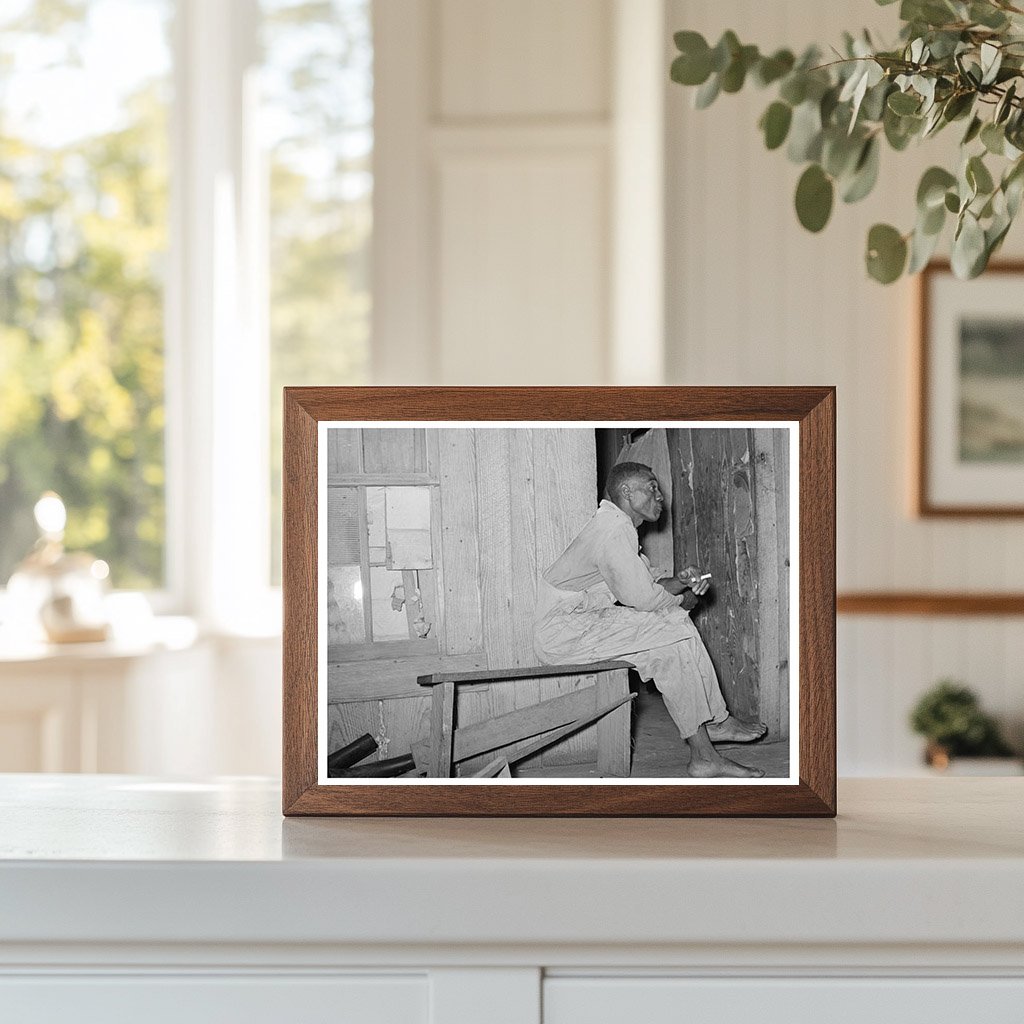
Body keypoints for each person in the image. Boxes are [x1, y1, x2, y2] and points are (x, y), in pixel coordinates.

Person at [534, 460, 766, 778]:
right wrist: (683, 598)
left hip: (581, 624)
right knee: (673, 625)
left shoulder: (617, 528)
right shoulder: (612, 531)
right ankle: (716, 722)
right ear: (627, 492)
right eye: (652, 487)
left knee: (668, 649)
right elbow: (643, 599)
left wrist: (685, 583)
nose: (660, 496)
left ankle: (704, 756)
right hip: (563, 631)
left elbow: (650, 584)